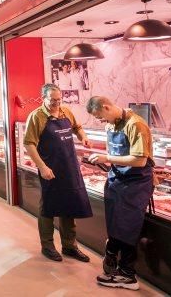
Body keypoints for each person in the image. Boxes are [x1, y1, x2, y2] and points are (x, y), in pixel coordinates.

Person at [87, 96, 155, 291]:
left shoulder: (136, 124)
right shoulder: (111, 126)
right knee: (115, 223)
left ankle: (128, 275)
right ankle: (112, 254)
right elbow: (115, 154)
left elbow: (140, 160)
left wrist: (106, 158)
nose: (101, 122)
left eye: (101, 117)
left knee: (127, 227)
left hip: (135, 184)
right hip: (117, 180)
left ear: (107, 107)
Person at [23, 83, 92, 262]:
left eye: (59, 100)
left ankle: (70, 246)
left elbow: (77, 127)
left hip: (69, 165)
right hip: (50, 168)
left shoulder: (66, 111)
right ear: (43, 99)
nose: (56, 103)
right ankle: (47, 246)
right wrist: (42, 167)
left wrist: (83, 136)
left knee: (69, 204)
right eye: (52, 100)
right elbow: (29, 143)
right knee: (48, 206)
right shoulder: (36, 117)